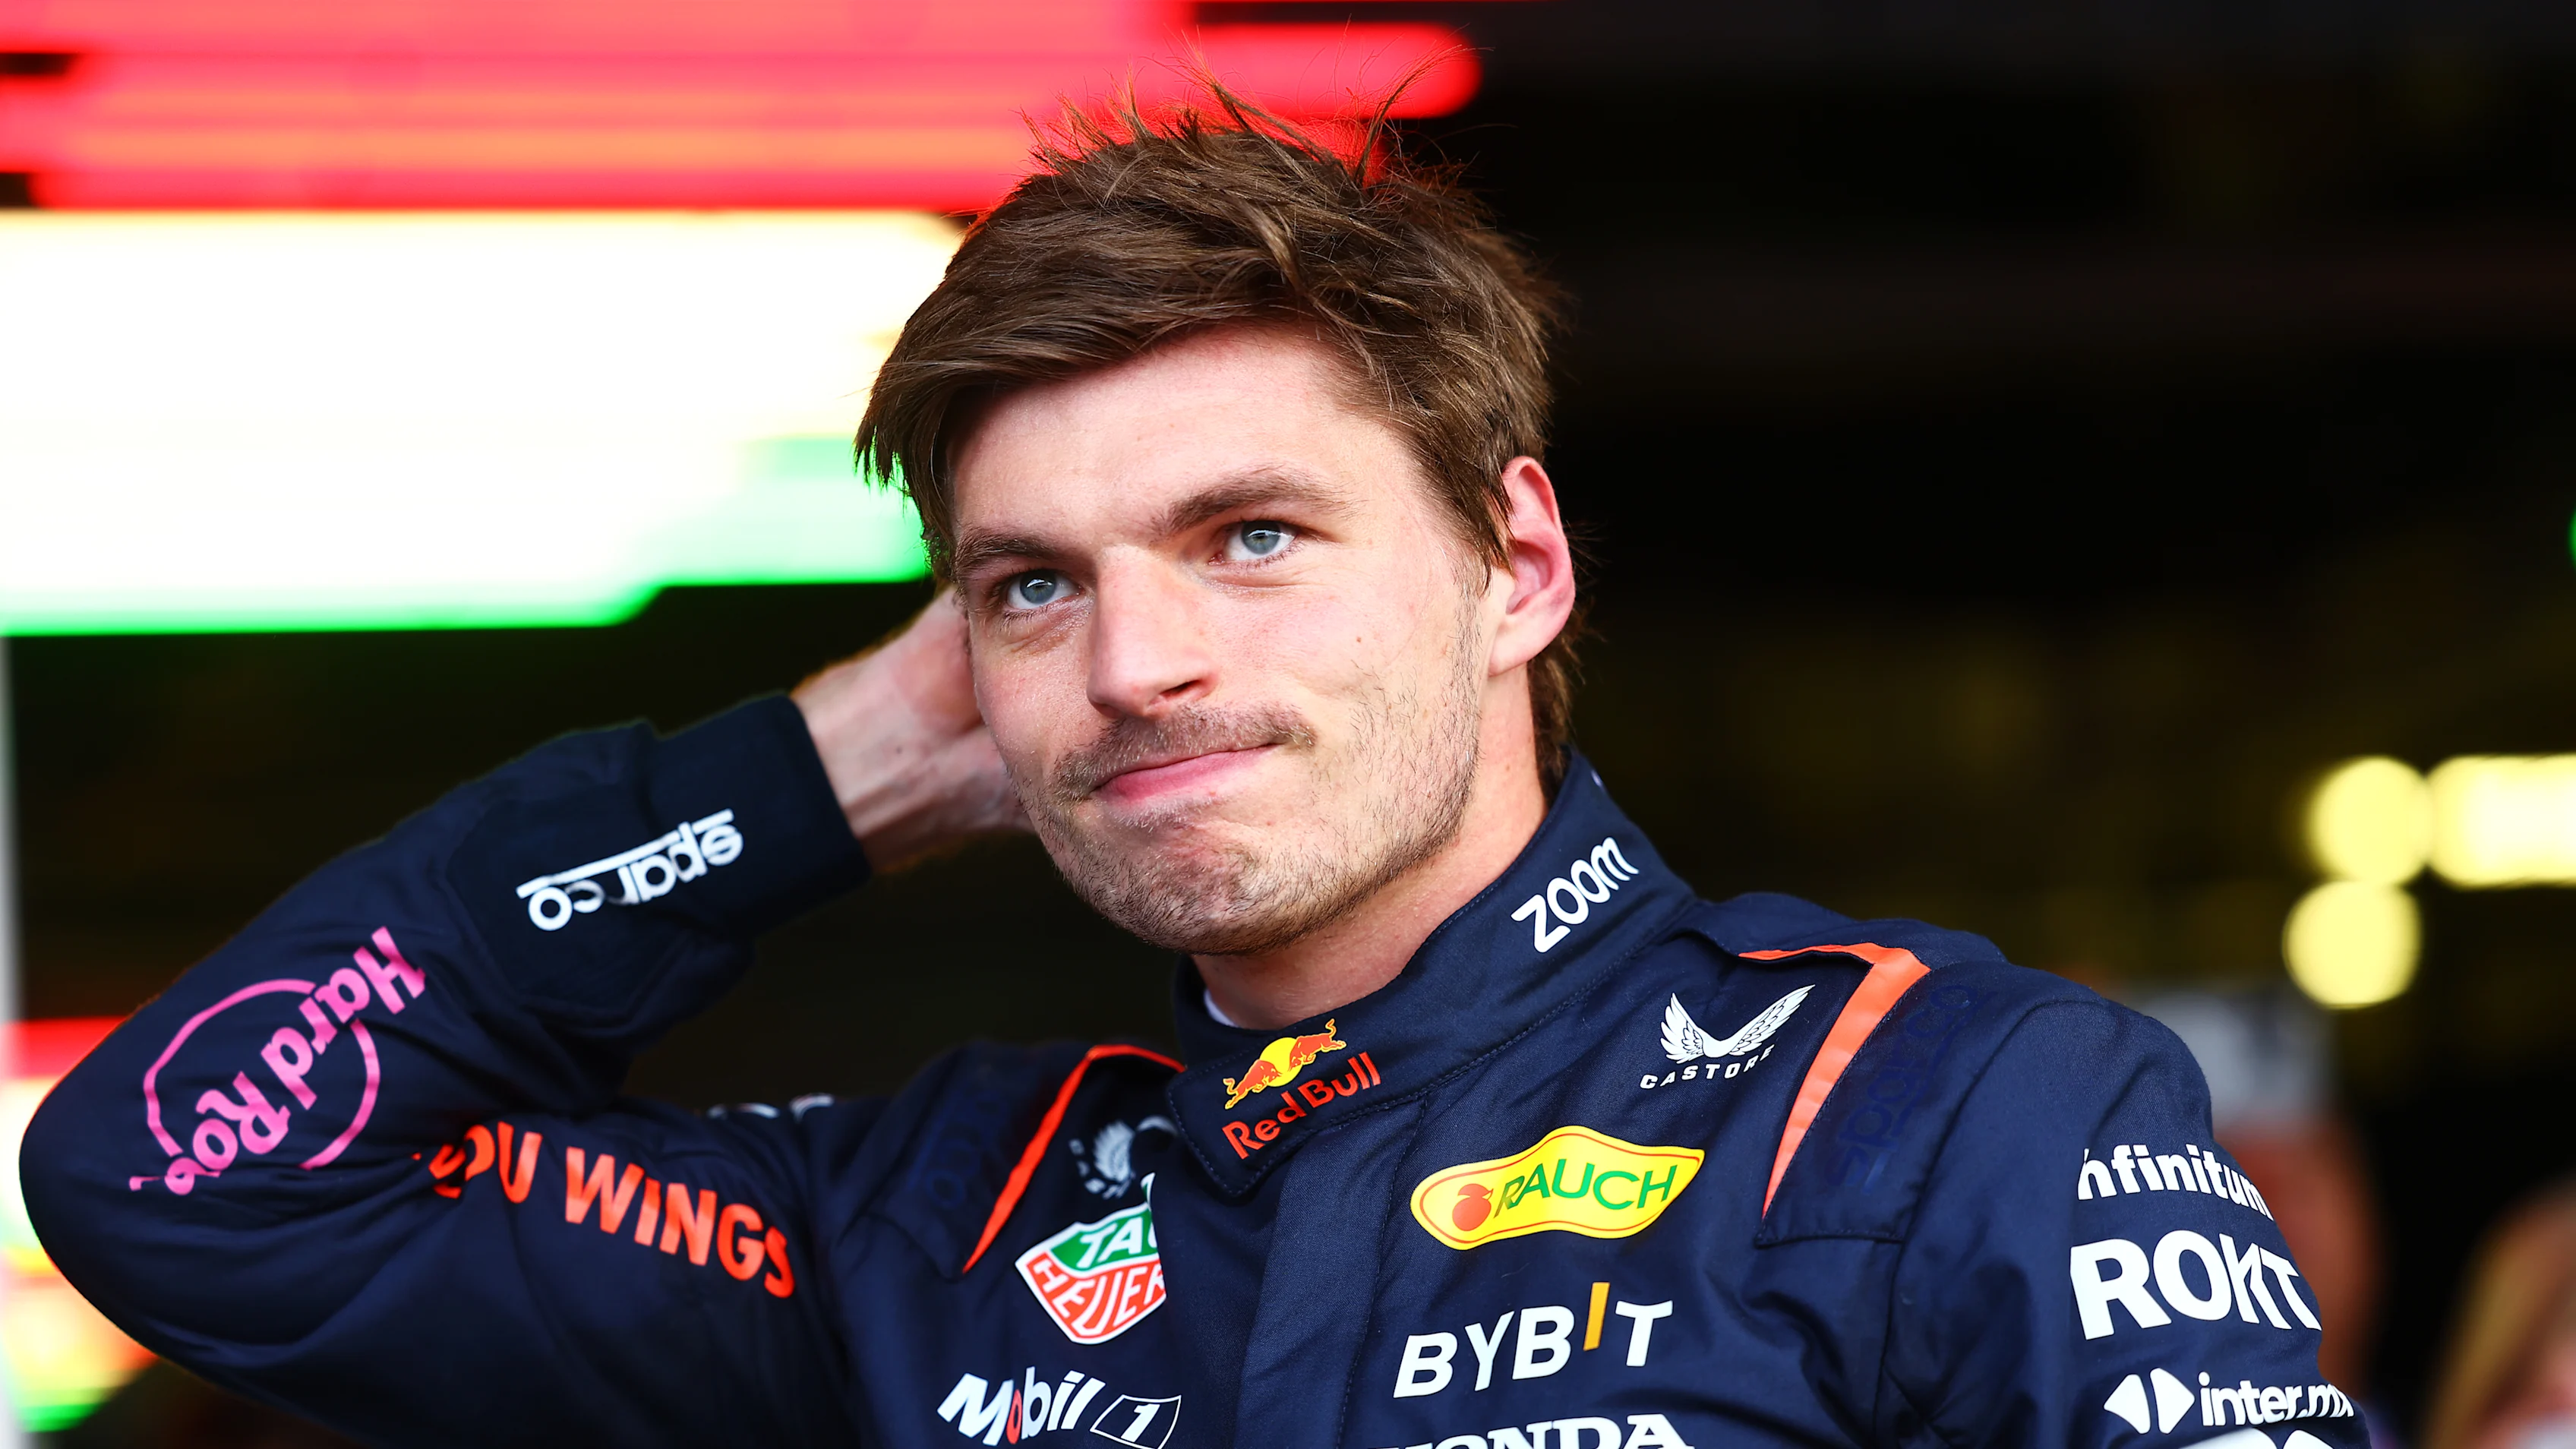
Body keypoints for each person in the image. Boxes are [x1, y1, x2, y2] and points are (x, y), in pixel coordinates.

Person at [23, 91, 2363, 1449]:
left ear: (1513, 563)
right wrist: (822, 767)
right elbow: (191, 1174)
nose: (1136, 656)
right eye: (1032, 583)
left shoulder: (1944, 1108)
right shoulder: (928, 1224)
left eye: (1250, 535)